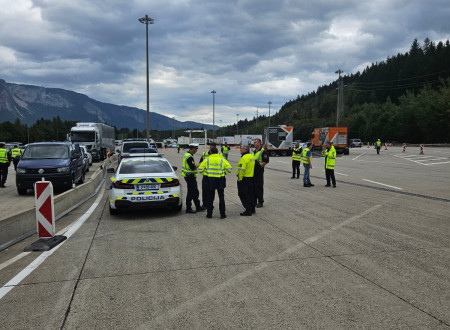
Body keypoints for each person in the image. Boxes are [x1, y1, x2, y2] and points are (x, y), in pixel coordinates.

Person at [198, 146, 232, 219]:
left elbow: (200, 169)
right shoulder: (222, 159)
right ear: (217, 152)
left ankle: (209, 214)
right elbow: (229, 169)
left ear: (210, 152)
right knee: (221, 197)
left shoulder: (207, 160)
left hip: (210, 180)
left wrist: (207, 174)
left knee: (210, 198)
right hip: (220, 180)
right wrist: (223, 173)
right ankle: (222, 214)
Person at [181, 143, 206, 213]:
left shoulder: (187, 155)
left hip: (189, 176)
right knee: (191, 192)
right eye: (196, 148)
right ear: (192, 148)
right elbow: (192, 167)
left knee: (195, 192)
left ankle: (198, 207)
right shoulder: (189, 157)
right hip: (190, 176)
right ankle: (188, 208)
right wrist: (200, 164)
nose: (196, 150)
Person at [199, 142, 221, 208]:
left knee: (212, 191)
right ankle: (205, 204)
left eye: (213, 147)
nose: (211, 149)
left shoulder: (219, 155)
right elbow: (200, 163)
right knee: (205, 190)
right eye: (210, 147)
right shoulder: (204, 154)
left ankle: (210, 203)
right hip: (206, 175)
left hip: (214, 176)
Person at [237, 144, 255, 216]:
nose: (240, 150)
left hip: (244, 179)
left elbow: (241, 170)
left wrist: (239, 179)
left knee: (242, 194)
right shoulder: (252, 157)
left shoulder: (244, 158)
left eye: (241, 148)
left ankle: (248, 210)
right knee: (250, 194)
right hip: (251, 178)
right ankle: (252, 208)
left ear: (245, 150)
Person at [252, 138, 269, 208]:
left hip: (259, 172)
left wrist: (260, 166)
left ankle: (260, 201)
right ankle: (254, 201)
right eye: (254, 142)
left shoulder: (263, 151)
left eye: (255, 142)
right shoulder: (253, 151)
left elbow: (266, 161)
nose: (254, 143)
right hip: (253, 171)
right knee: (253, 187)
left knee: (259, 187)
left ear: (259, 143)